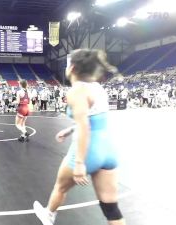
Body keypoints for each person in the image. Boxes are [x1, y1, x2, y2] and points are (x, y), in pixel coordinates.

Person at [33, 49, 125, 225]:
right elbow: (94, 119)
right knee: (111, 209)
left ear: (72, 68)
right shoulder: (98, 88)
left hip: (89, 152)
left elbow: (85, 126)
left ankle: (48, 215)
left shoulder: (77, 91)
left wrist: (80, 163)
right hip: (108, 150)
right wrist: (69, 131)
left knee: (60, 188)